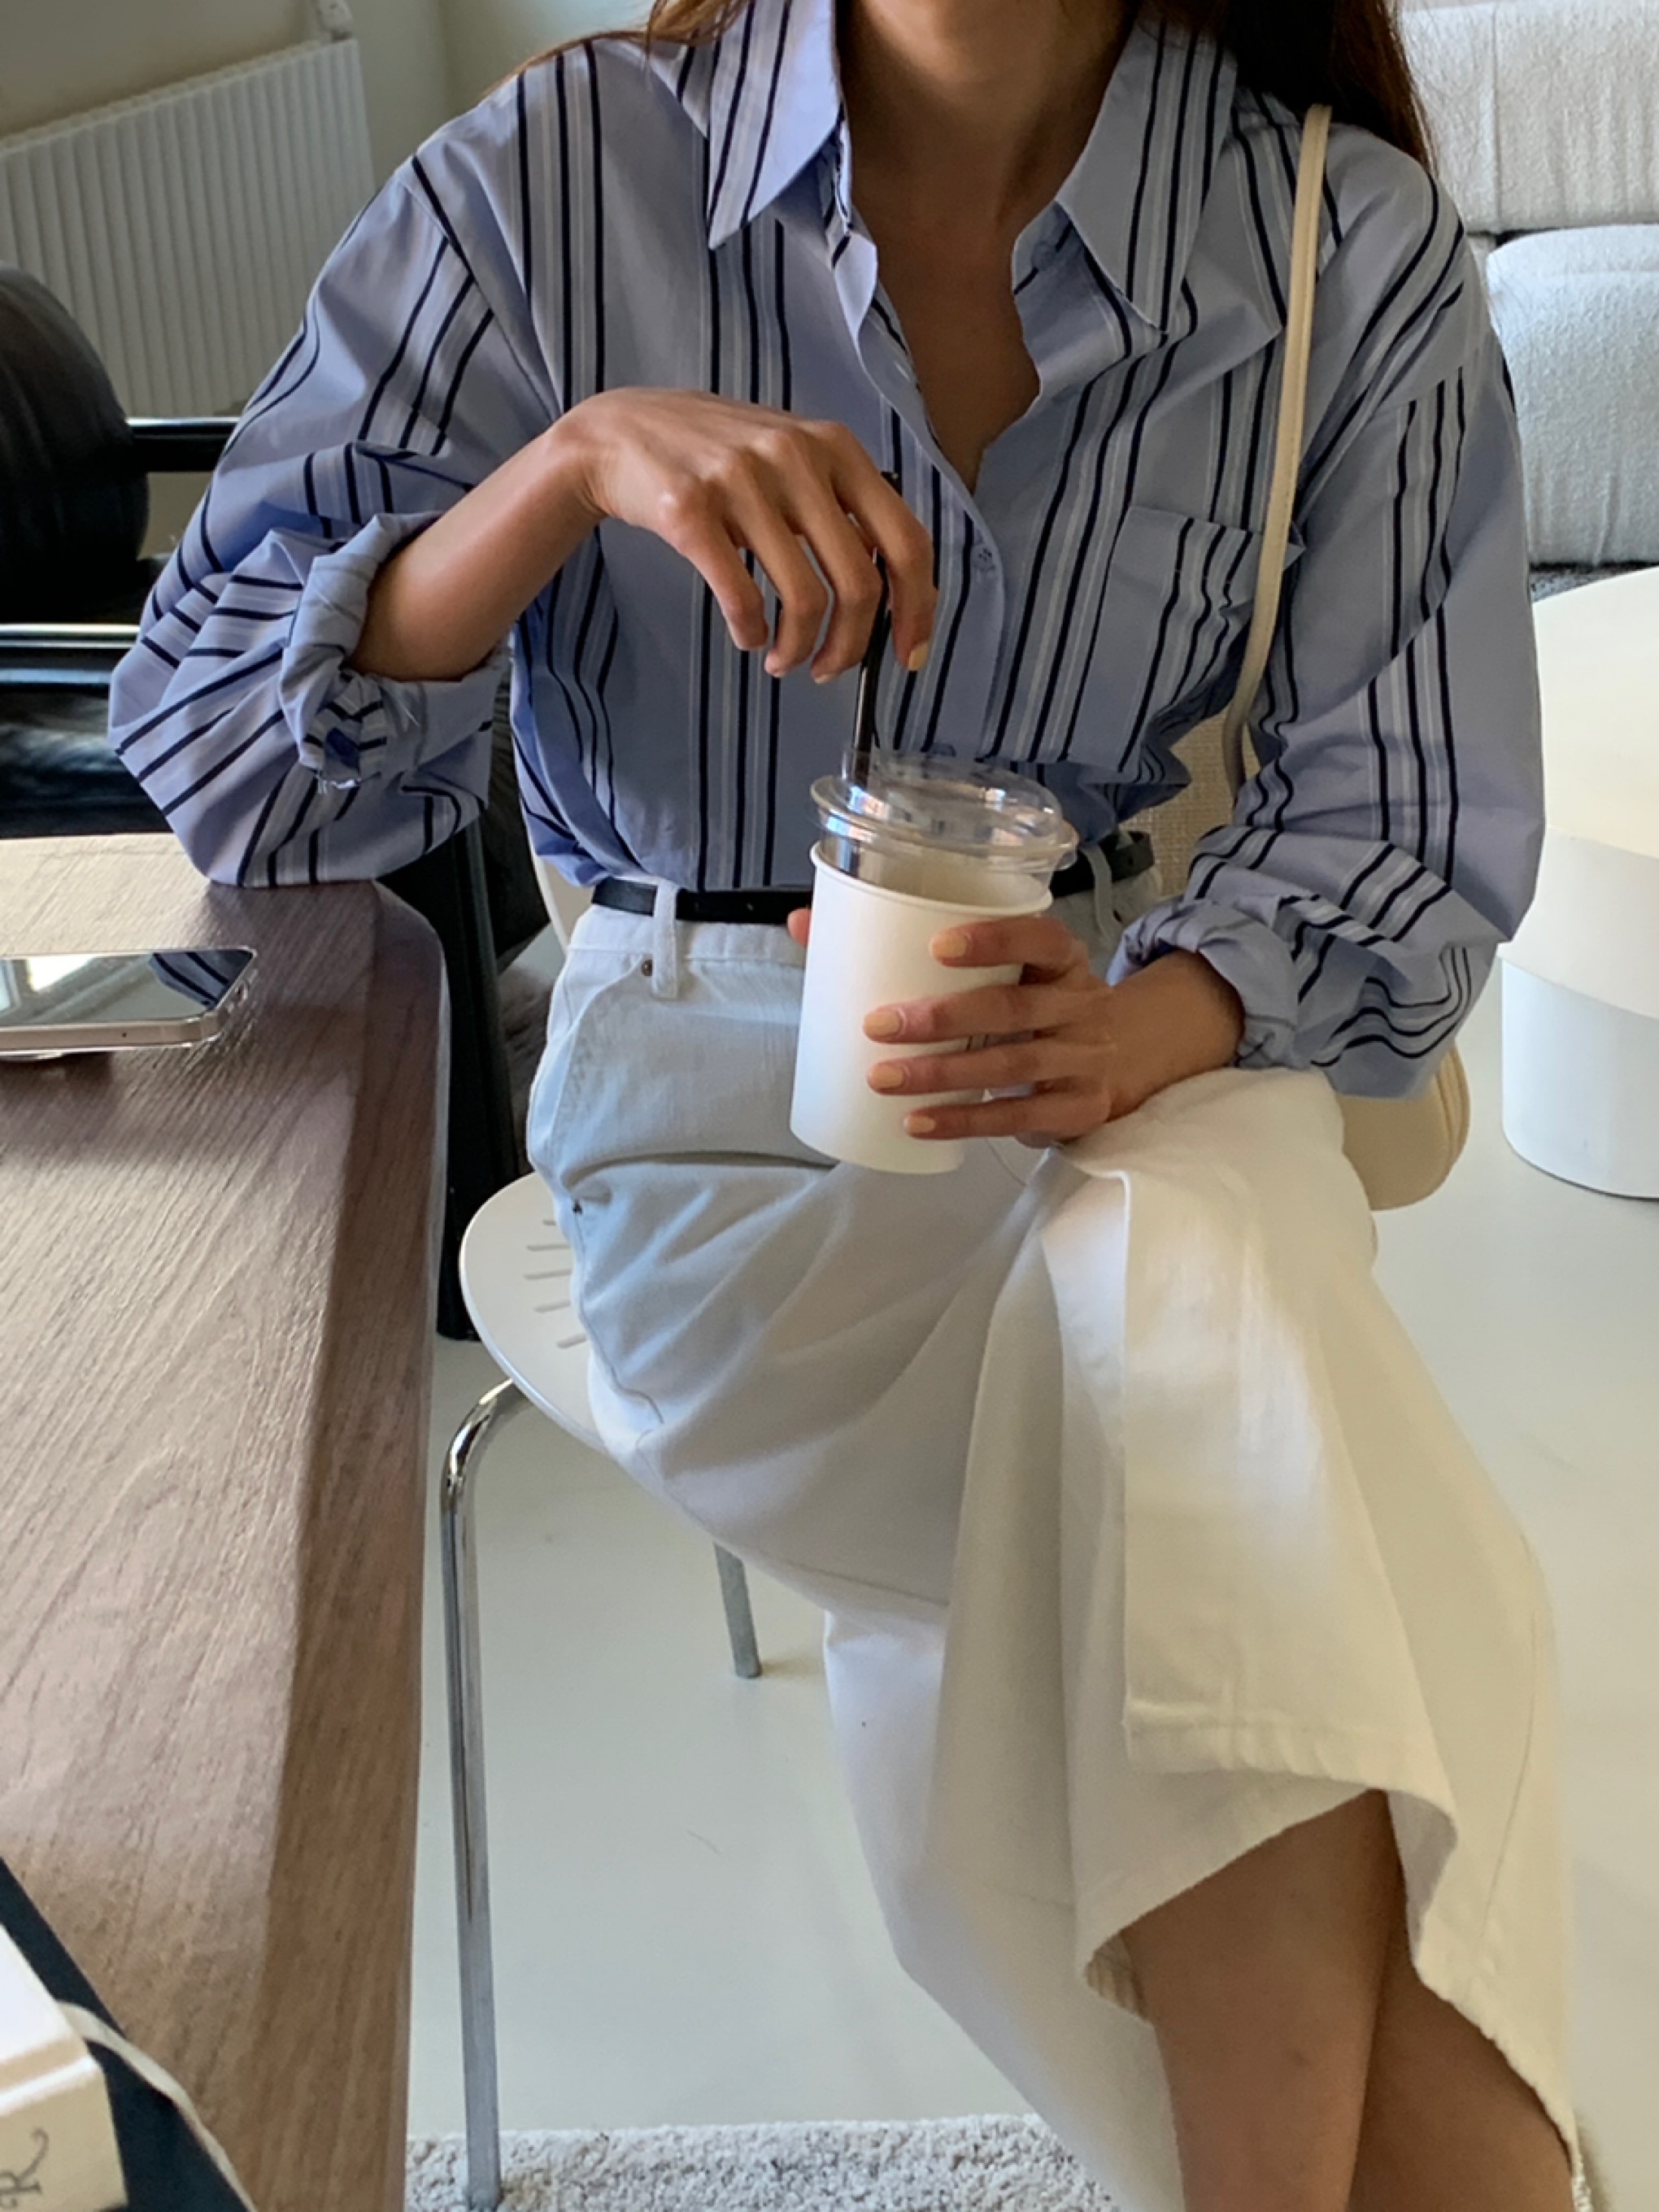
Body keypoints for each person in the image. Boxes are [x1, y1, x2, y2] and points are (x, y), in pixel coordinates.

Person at [109, 2, 1589, 2206]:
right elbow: (223, 752)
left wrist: (1157, 1019)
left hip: (1151, 1056)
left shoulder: (1333, 237)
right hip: (719, 1125)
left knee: (1208, 1300)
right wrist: (569, 469)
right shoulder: (560, 182)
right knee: (1283, 1517)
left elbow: (1413, 815)